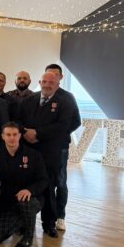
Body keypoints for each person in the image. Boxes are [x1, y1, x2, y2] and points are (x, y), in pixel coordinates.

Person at [18, 72, 74, 238]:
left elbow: (63, 126)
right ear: (39, 82)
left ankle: (49, 224)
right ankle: (24, 223)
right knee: (26, 186)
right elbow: (18, 120)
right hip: (28, 151)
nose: (47, 85)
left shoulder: (65, 103)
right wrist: (25, 132)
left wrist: (37, 133)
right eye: (44, 81)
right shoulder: (28, 100)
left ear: (58, 84)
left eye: (51, 82)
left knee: (49, 188)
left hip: (50, 153)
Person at [0, 123, 48, 247]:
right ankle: (24, 220)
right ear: (3, 136)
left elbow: (44, 180)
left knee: (25, 201)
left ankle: (28, 237)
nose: (12, 138)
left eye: (15, 134)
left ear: (20, 136)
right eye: (8, 134)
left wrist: (30, 190)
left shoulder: (33, 155)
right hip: (8, 202)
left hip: (32, 199)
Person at [44, 64, 81, 232]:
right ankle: (47, 216)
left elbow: (76, 121)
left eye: (55, 75)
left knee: (60, 181)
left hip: (60, 148)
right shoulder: (40, 97)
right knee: (46, 181)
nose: (51, 78)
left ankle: (60, 216)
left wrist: (59, 134)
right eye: (48, 75)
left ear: (60, 78)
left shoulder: (68, 97)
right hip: (42, 146)